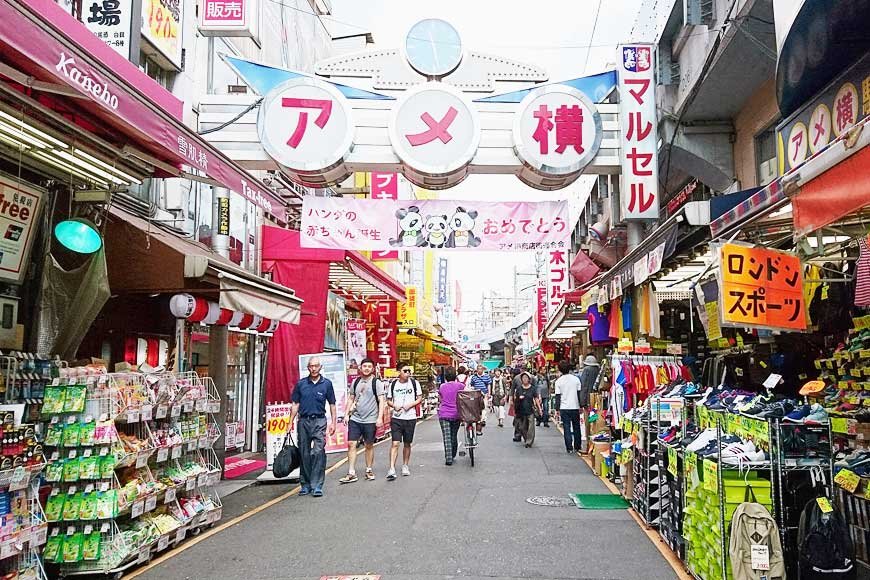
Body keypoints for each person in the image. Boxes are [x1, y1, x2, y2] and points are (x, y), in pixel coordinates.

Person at [289, 356, 337, 497]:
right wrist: (290, 422)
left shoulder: (326, 384)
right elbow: (295, 404)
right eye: (311, 366)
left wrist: (334, 422)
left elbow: (332, 404)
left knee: (317, 452)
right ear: (308, 368)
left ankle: (317, 485)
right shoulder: (301, 384)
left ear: (320, 367)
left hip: (319, 421)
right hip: (303, 421)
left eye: (316, 366)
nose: (314, 368)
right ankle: (305, 484)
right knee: (304, 453)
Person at [340, 358, 386, 484]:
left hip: (370, 419)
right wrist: (346, 414)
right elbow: (351, 398)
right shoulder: (356, 382)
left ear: (372, 369)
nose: (366, 368)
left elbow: (382, 401)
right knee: (351, 444)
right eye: (364, 366)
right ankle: (351, 472)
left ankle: (369, 469)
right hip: (355, 418)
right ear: (360, 367)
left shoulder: (376, 383)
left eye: (369, 366)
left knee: (369, 445)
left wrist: (379, 417)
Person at [386, 363, 423, 480]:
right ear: (399, 372)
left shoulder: (414, 383)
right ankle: (391, 468)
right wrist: (394, 405)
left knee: (407, 443)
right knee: (395, 443)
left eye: (409, 371)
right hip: (397, 418)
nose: (408, 373)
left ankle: (405, 465)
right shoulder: (393, 384)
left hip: (410, 417)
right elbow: (388, 400)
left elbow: (419, 398)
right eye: (405, 371)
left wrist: (410, 405)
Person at [437, 366, 465, 465]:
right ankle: (453, 454)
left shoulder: (442, 386)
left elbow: (440, 399)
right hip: (456, 414)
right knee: (454, 435)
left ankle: (448, 458)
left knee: (446, 436)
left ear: (445, 376)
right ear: (455, 375)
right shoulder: (460, 386)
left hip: (444, 413)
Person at [555, 360, 583, 454]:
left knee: (566, 427)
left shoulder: (558, 381)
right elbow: (579, 394)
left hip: (564, 407)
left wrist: (557, 409)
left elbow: (558, 396)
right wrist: (581, 405)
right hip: (575, 406)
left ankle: (569, 448)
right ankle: (577, 446)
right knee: (576, 427)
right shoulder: (576, 379)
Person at [509, 371, 541, 448]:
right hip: (520, 410)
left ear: (529, 379)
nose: (525, 379)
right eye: (523, 378)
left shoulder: (532, 389)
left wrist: (539, 408)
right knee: (522, 427)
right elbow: (515, 396)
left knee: (531, 426)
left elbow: (536, 398)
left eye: (526, 378)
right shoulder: (519, 389)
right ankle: (526, 438)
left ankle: (529, 442)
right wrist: (515, 400)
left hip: (530, 409)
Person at [468, 366, 491, 435]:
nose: (479, 370)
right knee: (476, 409)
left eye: (481, 369)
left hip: (484, 395)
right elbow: (471, 385)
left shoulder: (486, 376)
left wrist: (489, 393)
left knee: (484, 408)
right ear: (477, 370)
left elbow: (489, 385)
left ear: (483, 370)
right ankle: (478, 420)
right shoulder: (474, 377)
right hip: (475, 396)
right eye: (478, 369)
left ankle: (482, 420)